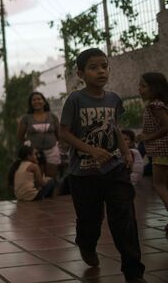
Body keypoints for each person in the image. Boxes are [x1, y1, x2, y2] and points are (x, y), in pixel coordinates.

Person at [59, 48, 145, 283]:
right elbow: (64, 132)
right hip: (83, 174)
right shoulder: (75, 100)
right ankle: (86, 244)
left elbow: (114, 127)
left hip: (114, 169)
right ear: (80, 73)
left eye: (104, 66)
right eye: (94, 67)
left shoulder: (114, 99)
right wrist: (92, 150)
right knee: (90, 220)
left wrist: (126, 152)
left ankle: (133, 272)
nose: (101, 71)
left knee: (124, 217)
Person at [137, 72, 168, 235]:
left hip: (162, 151)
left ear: (155, 88)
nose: (139, 89)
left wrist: (147, 137)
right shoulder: (161, 104)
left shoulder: (154, 106)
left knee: (159, 184)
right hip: (162, 150)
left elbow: (166, 126)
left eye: (143, 86)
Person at [18, 92, 61, 178]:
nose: (36, 101)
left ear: (44, 102)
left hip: (52, 152)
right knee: (38, 179)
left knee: (52, 178)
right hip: (34, 154)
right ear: (31, 103)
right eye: (33, 100)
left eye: (39, 99)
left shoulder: (52, 116)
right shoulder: (26, 118)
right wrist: (30, 146)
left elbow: (59, 135)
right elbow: (20, 136)